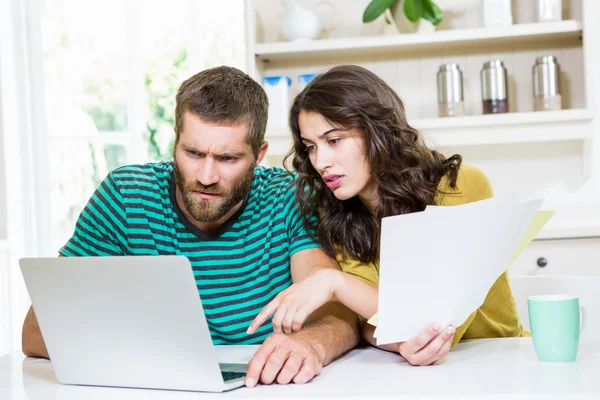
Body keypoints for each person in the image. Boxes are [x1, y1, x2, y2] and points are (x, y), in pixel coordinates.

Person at [21, 66, 360, 387]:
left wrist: (311, 345)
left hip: (267, 386)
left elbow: (338, 315)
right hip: (151, 385)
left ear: (259, 155)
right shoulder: (126, 197)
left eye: (227, 158)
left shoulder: (290, 196)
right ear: (175, 140)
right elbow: (36, 330)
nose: (206, 177)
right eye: (193, 153)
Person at [248, 64, 528, 366]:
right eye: (311, 146)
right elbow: (368, 323)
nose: (321, 161)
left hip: (501, 361)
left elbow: (441, 325)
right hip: (415, 376)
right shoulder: (339, 212)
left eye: (334, 140)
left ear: (377, 131)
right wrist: (400, 342)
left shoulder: (460, 186)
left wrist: (335, 283)